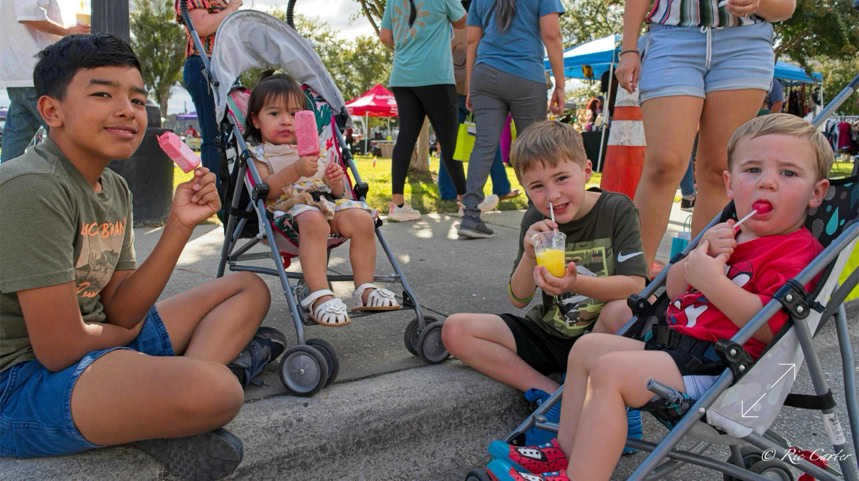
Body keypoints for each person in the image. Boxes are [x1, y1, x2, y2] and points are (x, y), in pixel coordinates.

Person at [484, 114, 832, 481]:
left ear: (816, 193)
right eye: (753, 170)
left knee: (610, 371)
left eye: (788, 173)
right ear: (730, 184)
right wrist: (698, 257)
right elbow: (676, 289)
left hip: (724, 368)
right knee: (587, 348)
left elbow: (773, 329)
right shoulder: (728, 233)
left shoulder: (797, 252)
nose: (767, 182)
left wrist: (713, 282)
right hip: (680, 350)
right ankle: (564, 452)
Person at [0, 34, 283, 480]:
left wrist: (179, 226)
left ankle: (153, 405)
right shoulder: (32, 187)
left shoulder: (114, 188)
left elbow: (124, 308)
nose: (127, 110)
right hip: (21, 383)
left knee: (248, 288)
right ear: (52, 111)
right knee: (217, 391)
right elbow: (59, 349)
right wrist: (126, 338)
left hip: (96, 342)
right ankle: (170, 398)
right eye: (102, 94)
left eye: (136, 99)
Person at [442, 122, 648, 439]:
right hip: (551, 333)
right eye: (537, 186)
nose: (553, 195)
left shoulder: (616, 209)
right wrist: (529, 255)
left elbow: (635, 286)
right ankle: (554, 396)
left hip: (599, 341)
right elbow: (519, 299)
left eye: (562, 178)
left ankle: (620, 409)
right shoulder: (535, 219)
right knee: (455, 330)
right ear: (525, 188)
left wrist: (575, 284)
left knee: (623, 310)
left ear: (586, 171)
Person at [615, 0, 796, 270]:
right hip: (671, 39)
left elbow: (786, 8)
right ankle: (630, 282)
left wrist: (758, 3)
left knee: (719, 169)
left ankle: (698, 283)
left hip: (745, 44)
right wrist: (629, 48)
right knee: (663, 164)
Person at [244, 72, 400, 327]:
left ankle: (365, 288)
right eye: (274, 114)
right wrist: (296, 169)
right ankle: (319, 295)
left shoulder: (317, 149)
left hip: (327, 206)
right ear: (255, 120)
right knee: (313, 219)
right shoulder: (258, 154)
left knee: (363, 220)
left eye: (294, 114)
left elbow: (340, 195)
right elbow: (266, 190)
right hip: (289, 214)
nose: (286, 121)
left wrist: (334, 180)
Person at [457, 0, 565, 239]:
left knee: (484, 144)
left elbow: (472, 41)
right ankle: (538, 216)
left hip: (485, 75)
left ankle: (470, 215)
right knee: (534, 148)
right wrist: (560, 84)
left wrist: (470, 85)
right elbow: (552, 35)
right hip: (526, 76)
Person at [379, 0, 469, 222]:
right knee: (449, 141)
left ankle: (398, 203)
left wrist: (408, 46)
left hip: (402, 76)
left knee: (405, 137)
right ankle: (466, 201)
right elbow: (462, 21)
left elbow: (386, 37)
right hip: (435, 76)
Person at [438, 14, 520, 212]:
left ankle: (448, 191)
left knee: (449, 142)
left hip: (448, 86)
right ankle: (501, 187)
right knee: (488, 136)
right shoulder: (480, 22)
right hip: (475, 87)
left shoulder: (444, 23)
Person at [0, 0, 89, 163]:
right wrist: (67, 31)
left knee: (16, 139)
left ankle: (5, 179)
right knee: (66, 136)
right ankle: (76, 178)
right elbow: (28, 15)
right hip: (38, 70)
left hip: (18, 73)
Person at [175, 0, 242, 193]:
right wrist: (231, 9)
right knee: (213, 133)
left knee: (234, 132)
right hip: (203, 63)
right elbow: (200, 26)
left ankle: (233, 191)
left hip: (227, 66)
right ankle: (215, 193)